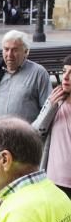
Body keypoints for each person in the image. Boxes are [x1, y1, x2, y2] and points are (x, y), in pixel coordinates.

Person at [0, 30, 52, 122]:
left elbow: (48, 109)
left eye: (15, 50)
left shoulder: (38, 73)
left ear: (26, 52)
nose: (9, 55)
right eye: (6, 49)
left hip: (26, 134)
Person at [33, 55, 71, 199]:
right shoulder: (56, 100)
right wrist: (50, 107)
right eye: (64, 71)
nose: (65, 77)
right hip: (55, 180)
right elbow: (35, 132)